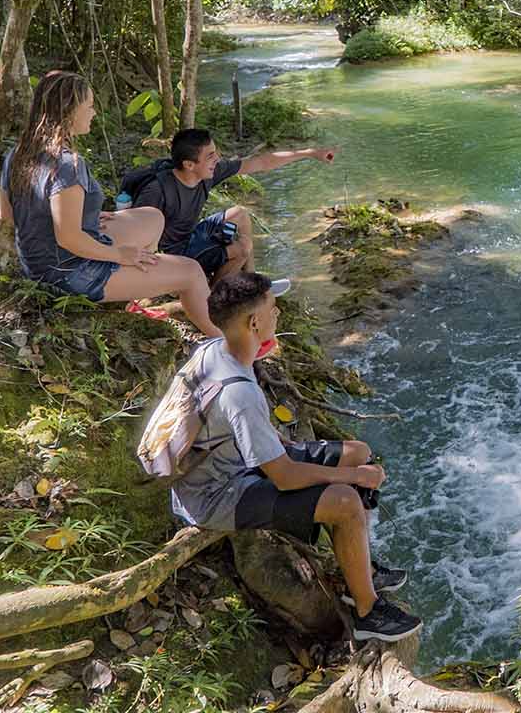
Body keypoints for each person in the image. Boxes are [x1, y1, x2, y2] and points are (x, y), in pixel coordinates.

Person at [170, 271, 420, 642]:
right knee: (347, 500)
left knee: (357, 453)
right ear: (254, 322)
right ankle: (367, 611)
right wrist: (356, 478)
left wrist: (354, 467)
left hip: (231, 462)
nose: (278, 314)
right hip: (214, 496)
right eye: (273, 308)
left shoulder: (214, 350)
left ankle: (359, 564)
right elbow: (284, 477)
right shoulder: (239, 393)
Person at [0, 71, 222, 338]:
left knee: (152, 217)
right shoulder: (68, 164)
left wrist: (82, 214)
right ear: (70, 111)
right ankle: (228, 344)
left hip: (37, 264)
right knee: (192, 272)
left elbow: (7, 214)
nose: (94, 113)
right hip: (70, 273)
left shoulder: (18, 153)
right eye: (89, 106)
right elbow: (69, 237)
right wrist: (120, 255)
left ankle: (130, 298)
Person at [134, 129, 335, 283]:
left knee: (239, 213)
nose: (217, 159)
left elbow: (262, 163)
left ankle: (251, 279)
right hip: (172, 255)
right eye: (210, 155)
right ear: (189, 164)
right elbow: (132, 229)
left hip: (191, 237)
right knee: (242, 247)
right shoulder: (157, 190)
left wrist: (309, 153)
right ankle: (215, 295)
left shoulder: (204, 173)